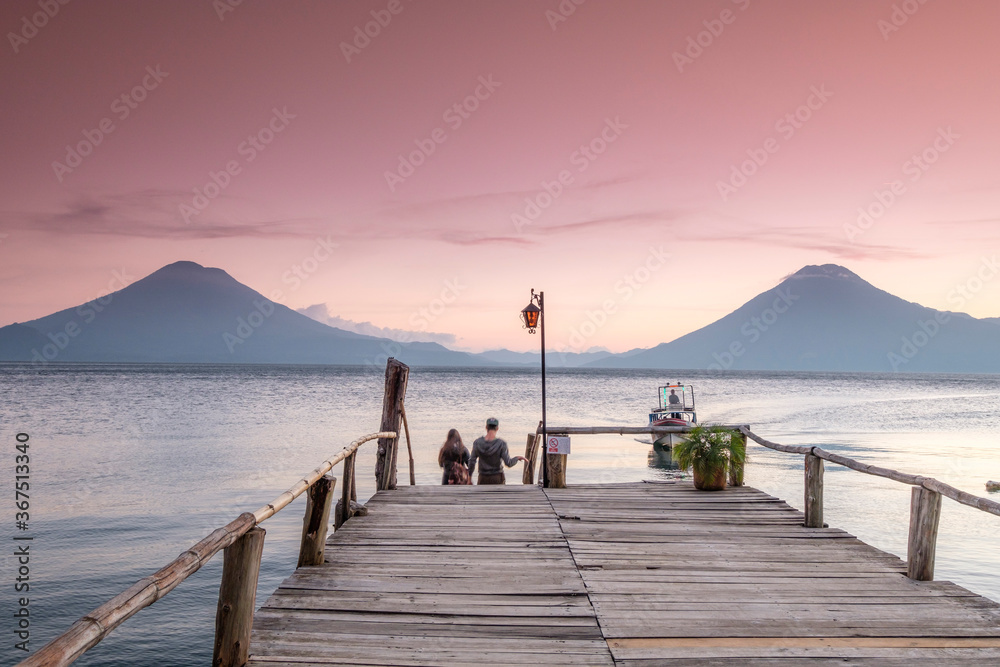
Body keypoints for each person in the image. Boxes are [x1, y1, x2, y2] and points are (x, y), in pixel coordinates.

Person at [468, 417, 525, 485]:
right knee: (498, 496)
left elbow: (472, 461)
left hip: (482, 477)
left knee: (483, 496)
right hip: (497, 477)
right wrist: (517, 458)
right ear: (497, 428)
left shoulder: (477, 442)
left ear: (486, 427)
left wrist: (469, 477)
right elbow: (508, 463)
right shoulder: (501, 443)